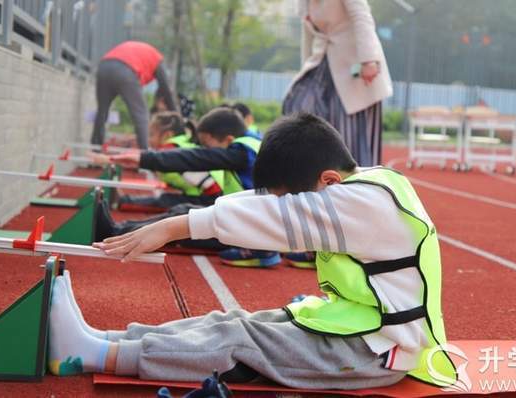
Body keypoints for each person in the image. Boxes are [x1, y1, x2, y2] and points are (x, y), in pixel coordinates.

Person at [49, 113, 456, 390]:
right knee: (232, 320)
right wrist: (179, 223)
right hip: (358, 330)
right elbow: (267, 205)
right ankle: (102, 338)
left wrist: (177, 226)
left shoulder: (364, 204)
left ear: (328, 182)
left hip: (376, 353)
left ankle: (94, 354)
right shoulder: (366, 184)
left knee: (239, 340)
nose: (290, 206)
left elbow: (273, 218)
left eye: (294, 199)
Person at [100, 107, 280, 266]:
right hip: (242, 221)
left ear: (228, 140)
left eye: (207, 146)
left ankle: (116, 233)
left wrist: (145, 159)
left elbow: (197, 158)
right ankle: (119, 229)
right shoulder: (252, 145)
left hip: (246, 230)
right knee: (183, 210)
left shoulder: (243, 153)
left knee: (182, 220)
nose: (204, 149)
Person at [282, 0, 392, 167]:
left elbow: (362, 16)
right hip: (321, 61)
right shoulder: (303, 3)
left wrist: (369, 60)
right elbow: (308, 34)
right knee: (296, 103)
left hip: (355, 68)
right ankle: (307, 173)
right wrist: (305, 68)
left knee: (350, 135)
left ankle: (356, 183)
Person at [116, 111, 221, 211]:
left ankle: (123, 201)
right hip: (210, 195)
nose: (149, 140)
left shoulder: (171, 149)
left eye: (151, 135)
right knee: (169, 199)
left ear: (168, 135)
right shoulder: (181, 144)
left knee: (166, 202)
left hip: (211, 199)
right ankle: (123, 200)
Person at [91, 41, 177, 150]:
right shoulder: (158, 60)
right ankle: (145, 155)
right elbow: (167, 90)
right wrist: (177, 115)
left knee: (102, 113)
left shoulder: (144, 54)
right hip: (125, 70)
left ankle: (95, 149)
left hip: (103, 67)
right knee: (141, 115)